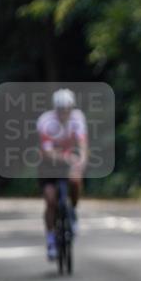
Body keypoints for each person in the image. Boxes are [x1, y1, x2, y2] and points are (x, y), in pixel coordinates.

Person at [37, 89, 88, 260]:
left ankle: (72, 211)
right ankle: (51, 239)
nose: (64, 113)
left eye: (67, 109)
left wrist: (81, 160)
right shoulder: (45, 121)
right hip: (49, 163)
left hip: (69, 160)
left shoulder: (78, 118)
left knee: (75, 181)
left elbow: (82, 144)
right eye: (61, 109)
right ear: (55, 109)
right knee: (51, 200)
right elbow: (46, 152)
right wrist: (67, 158)